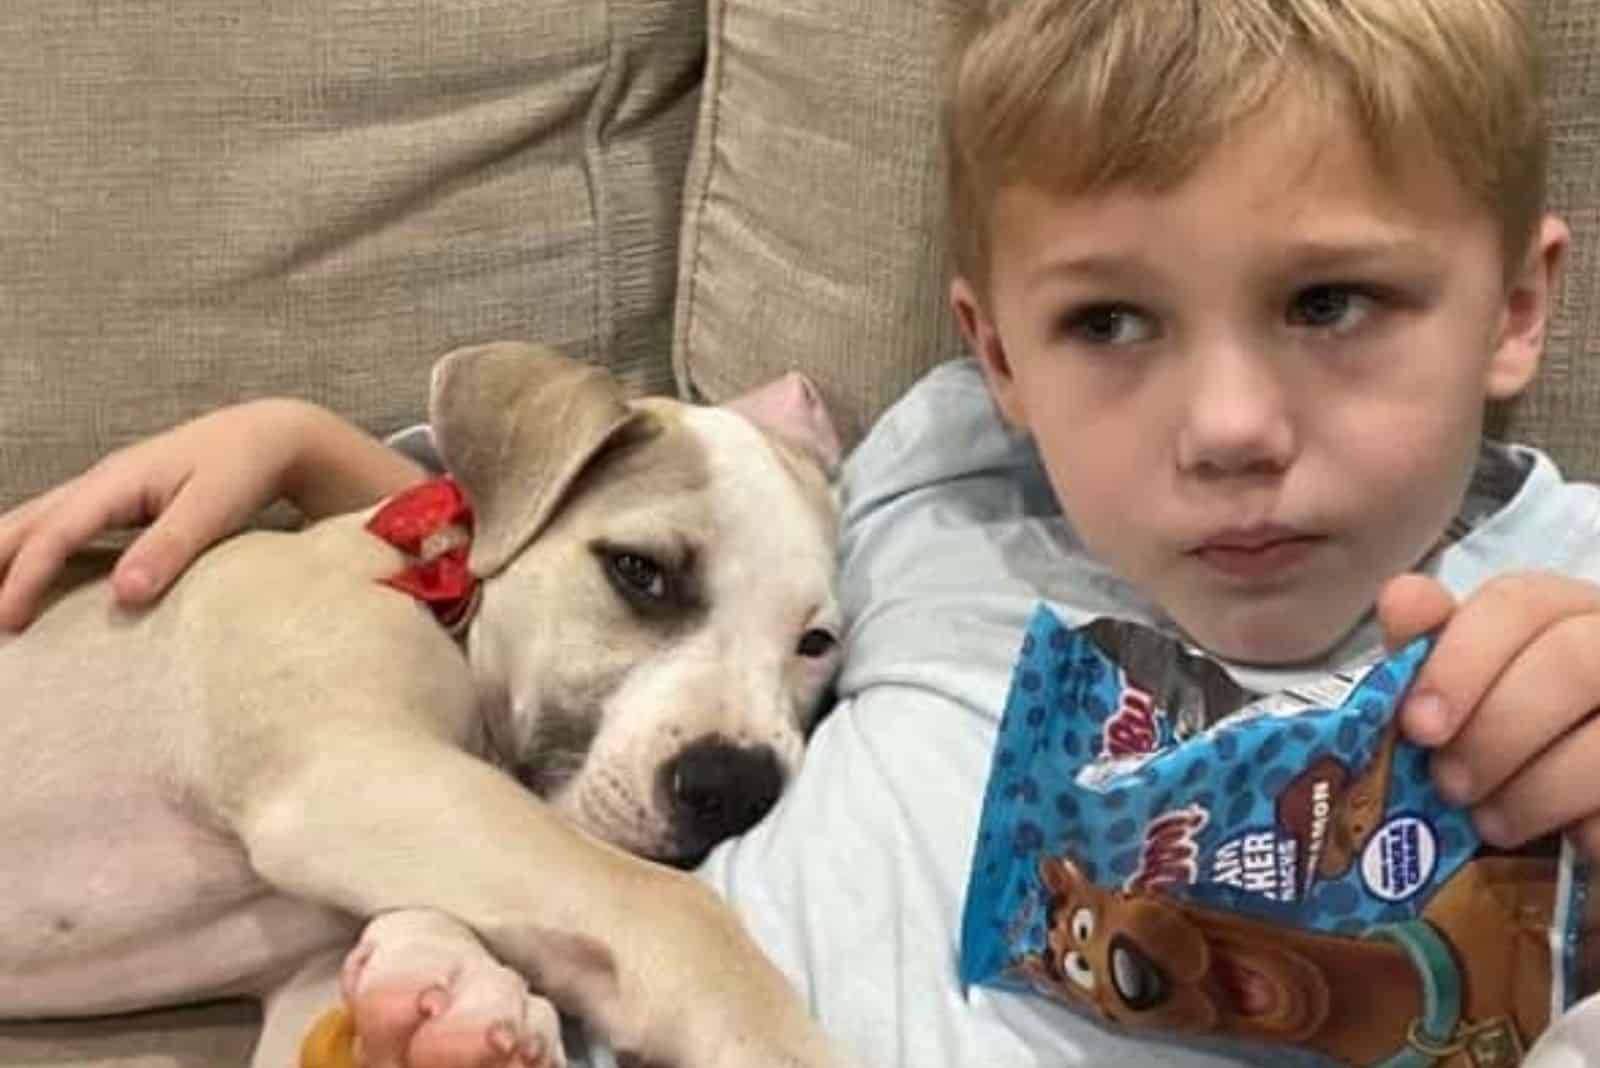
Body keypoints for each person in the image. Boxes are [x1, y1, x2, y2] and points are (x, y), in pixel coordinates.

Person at [4, 0, 1600, 1064]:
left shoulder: (1563, 594)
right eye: (1112, 322)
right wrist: (298, 442)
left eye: (1331, 301)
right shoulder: (934, 488)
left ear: (1522, 307)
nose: (1231, 423)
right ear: (998, 359)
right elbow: (553, 542)